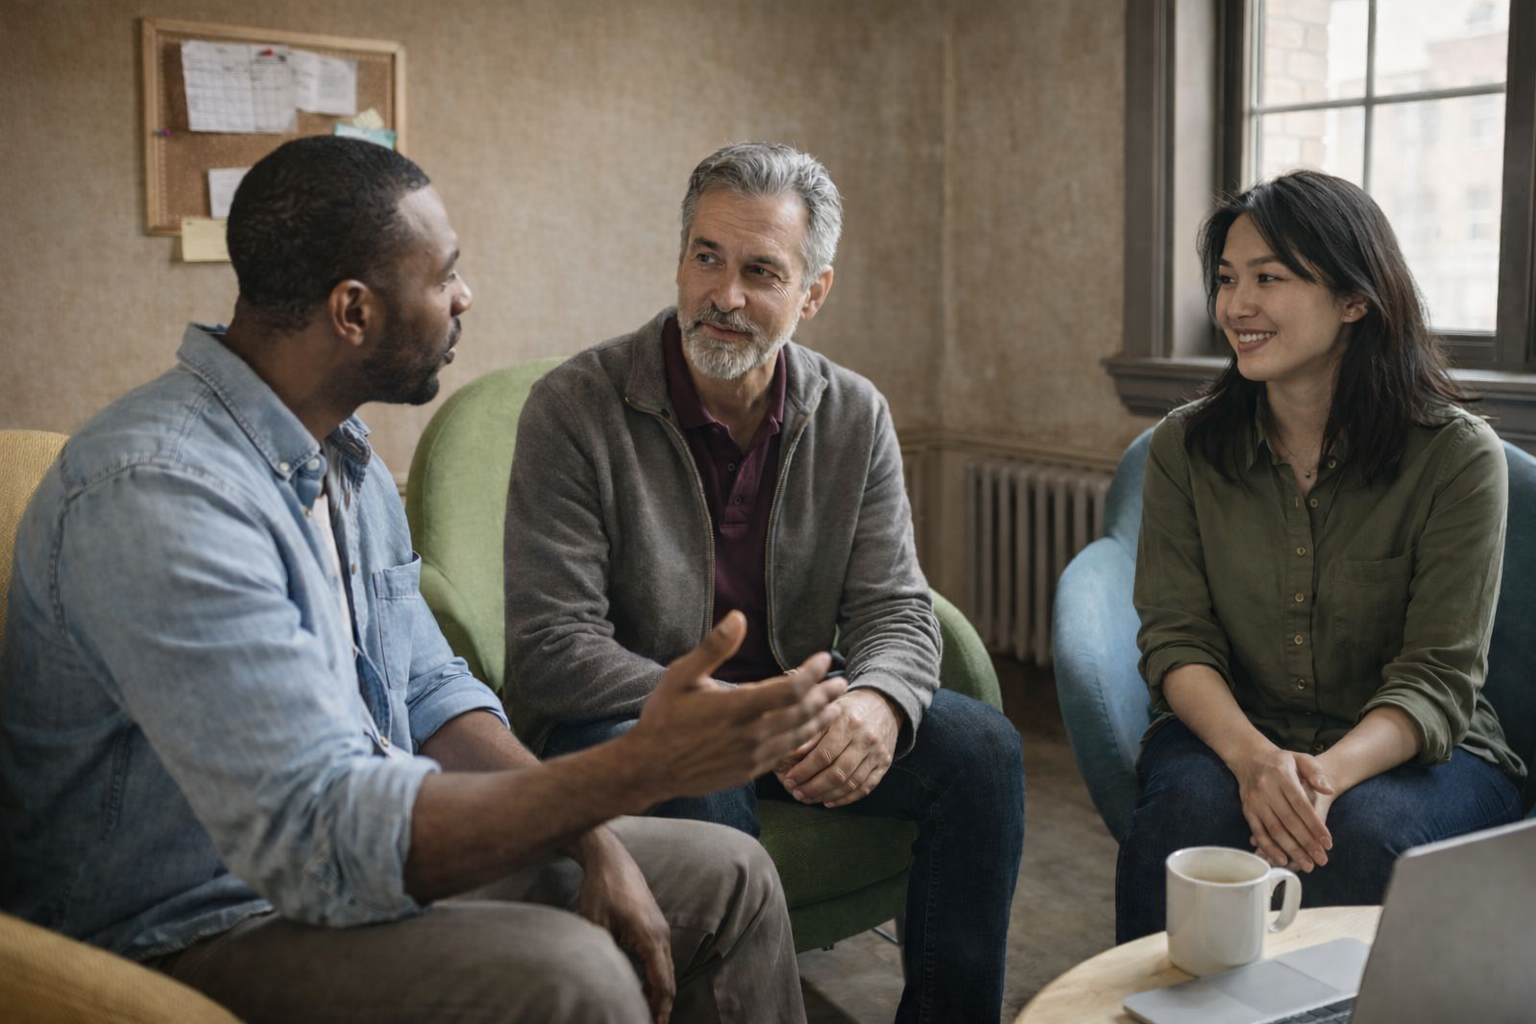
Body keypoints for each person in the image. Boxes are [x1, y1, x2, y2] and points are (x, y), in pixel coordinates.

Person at [0, 136, 849, 1024]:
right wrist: (633, 769)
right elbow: (319, 834)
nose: (464, 297)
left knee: (731, 872)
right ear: (354, 312)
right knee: (576, 973)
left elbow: (429, 688)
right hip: (188, 923)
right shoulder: (160, 494)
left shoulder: (346, 461)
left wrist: (593, 837)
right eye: (444, 275)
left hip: (348, 860)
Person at [503, 141, 1025, 1024]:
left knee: (983, 753)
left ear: (812, 293)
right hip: (631, 722)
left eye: (760, 271)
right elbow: (552, 649)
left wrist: (882, 703)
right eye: (706, 256)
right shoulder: (574, 407)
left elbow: (896, 606)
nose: (725, 295)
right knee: (705, 779)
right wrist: (725, 708)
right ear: (680, 259)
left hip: (795, 712)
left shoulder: (854, 412)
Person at [1117, 169, 1527, 942]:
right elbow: (1176, 637)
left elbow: (1438, 677)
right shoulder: (1185, 447)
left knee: (1362, 833)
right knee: (1185, 812)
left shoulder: (1457, 458)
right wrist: (1254, 759)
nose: (1236, 306)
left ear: (1354, 299)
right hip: (1237, 725)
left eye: (1268, 278)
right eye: (1228, 279)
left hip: (1419, 752)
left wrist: (1319, 778)